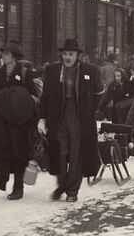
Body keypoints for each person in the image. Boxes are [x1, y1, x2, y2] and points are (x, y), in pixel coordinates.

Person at [38, 38, 105, 203]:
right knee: (58, 151)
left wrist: (88, 110)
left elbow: (99, 94)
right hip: (58, 116)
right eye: (65, 54)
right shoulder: (52, 70)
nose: (67, 57)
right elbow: (45, 96)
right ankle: (62, 184)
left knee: (76, 153)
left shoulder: (90, 71)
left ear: (77, 55)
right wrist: (42, 117)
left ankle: (72, 190)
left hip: (79, 117)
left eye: (71, 54)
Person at [0, 40, 39, 200]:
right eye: (3, 53)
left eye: (7, 54)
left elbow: (32, 95)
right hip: (2, 122)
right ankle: (2, 179)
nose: (4, 56)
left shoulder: (24, 72)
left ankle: (18, 187)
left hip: (19, 122)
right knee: (3, 152)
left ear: (14, 56)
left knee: (19, 154)